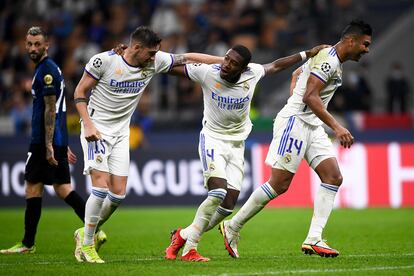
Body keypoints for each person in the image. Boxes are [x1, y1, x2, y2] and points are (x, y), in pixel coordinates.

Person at [219, 20, 372, 258]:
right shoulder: (329, 60)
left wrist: (296, 93)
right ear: (351, 41)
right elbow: (311, 96)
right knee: (279, 184)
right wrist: (337, 126)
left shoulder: (330, 58)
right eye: (365, 44)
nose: (367, 49)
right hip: (296, 123)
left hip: (310, 125)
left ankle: (314, 239)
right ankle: (232, 226)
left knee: (333, 177)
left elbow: (297, 73)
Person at [73, 26, 222, 263]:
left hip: (122, 132)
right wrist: (88, 125)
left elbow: (191, 57)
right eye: (150, 54)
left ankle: (85, 232)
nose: (154, 59)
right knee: (100, 188)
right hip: (96, 129)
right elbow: (79, 91)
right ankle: (88, 245)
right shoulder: (103, 62)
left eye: (156, 54)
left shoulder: (154, 61)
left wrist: (224, 62)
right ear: (136, 48)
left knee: (118, 195)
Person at [164, 44, 327, 262]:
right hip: (213, 139)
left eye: (233, 63)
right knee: (218, 193)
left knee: (228, 204)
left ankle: (183, 235)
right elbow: (172, 67)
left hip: (237, 144)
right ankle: (190, 249)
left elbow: (276, 65)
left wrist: (307, 54)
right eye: (226, 59)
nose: (226, 65)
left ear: (243, 69)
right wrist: (149, 60)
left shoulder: (253, 74)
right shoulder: (207, 72)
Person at [0, 26, 90, 254]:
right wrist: (60, 142)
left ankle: (27, 244)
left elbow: (51, 109)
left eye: (37, 44)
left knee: (32, 188)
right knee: (63, 189)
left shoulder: (46, 71)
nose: (32, 48)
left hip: (43, 141)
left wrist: (49, 144)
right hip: (56, 139)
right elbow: (59, 109)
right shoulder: (48, 68)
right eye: (29, 44)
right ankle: (93, 231)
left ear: (46, 45)